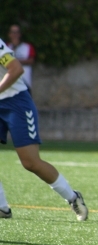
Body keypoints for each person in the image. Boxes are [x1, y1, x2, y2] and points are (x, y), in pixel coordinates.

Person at [0, 38, 87, 220]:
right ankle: (2, 208)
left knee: (30, 162)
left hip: (16, 103)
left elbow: (16, 69)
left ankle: (72, 197)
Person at [7, 24, 36, 94]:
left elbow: (31, 60)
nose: (15, 35)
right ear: (9, 34)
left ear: (20, 34)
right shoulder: (6, 47)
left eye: (16, 32)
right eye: (13, 32)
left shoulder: (28, 47)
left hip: (25, 81)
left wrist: (15, 61)